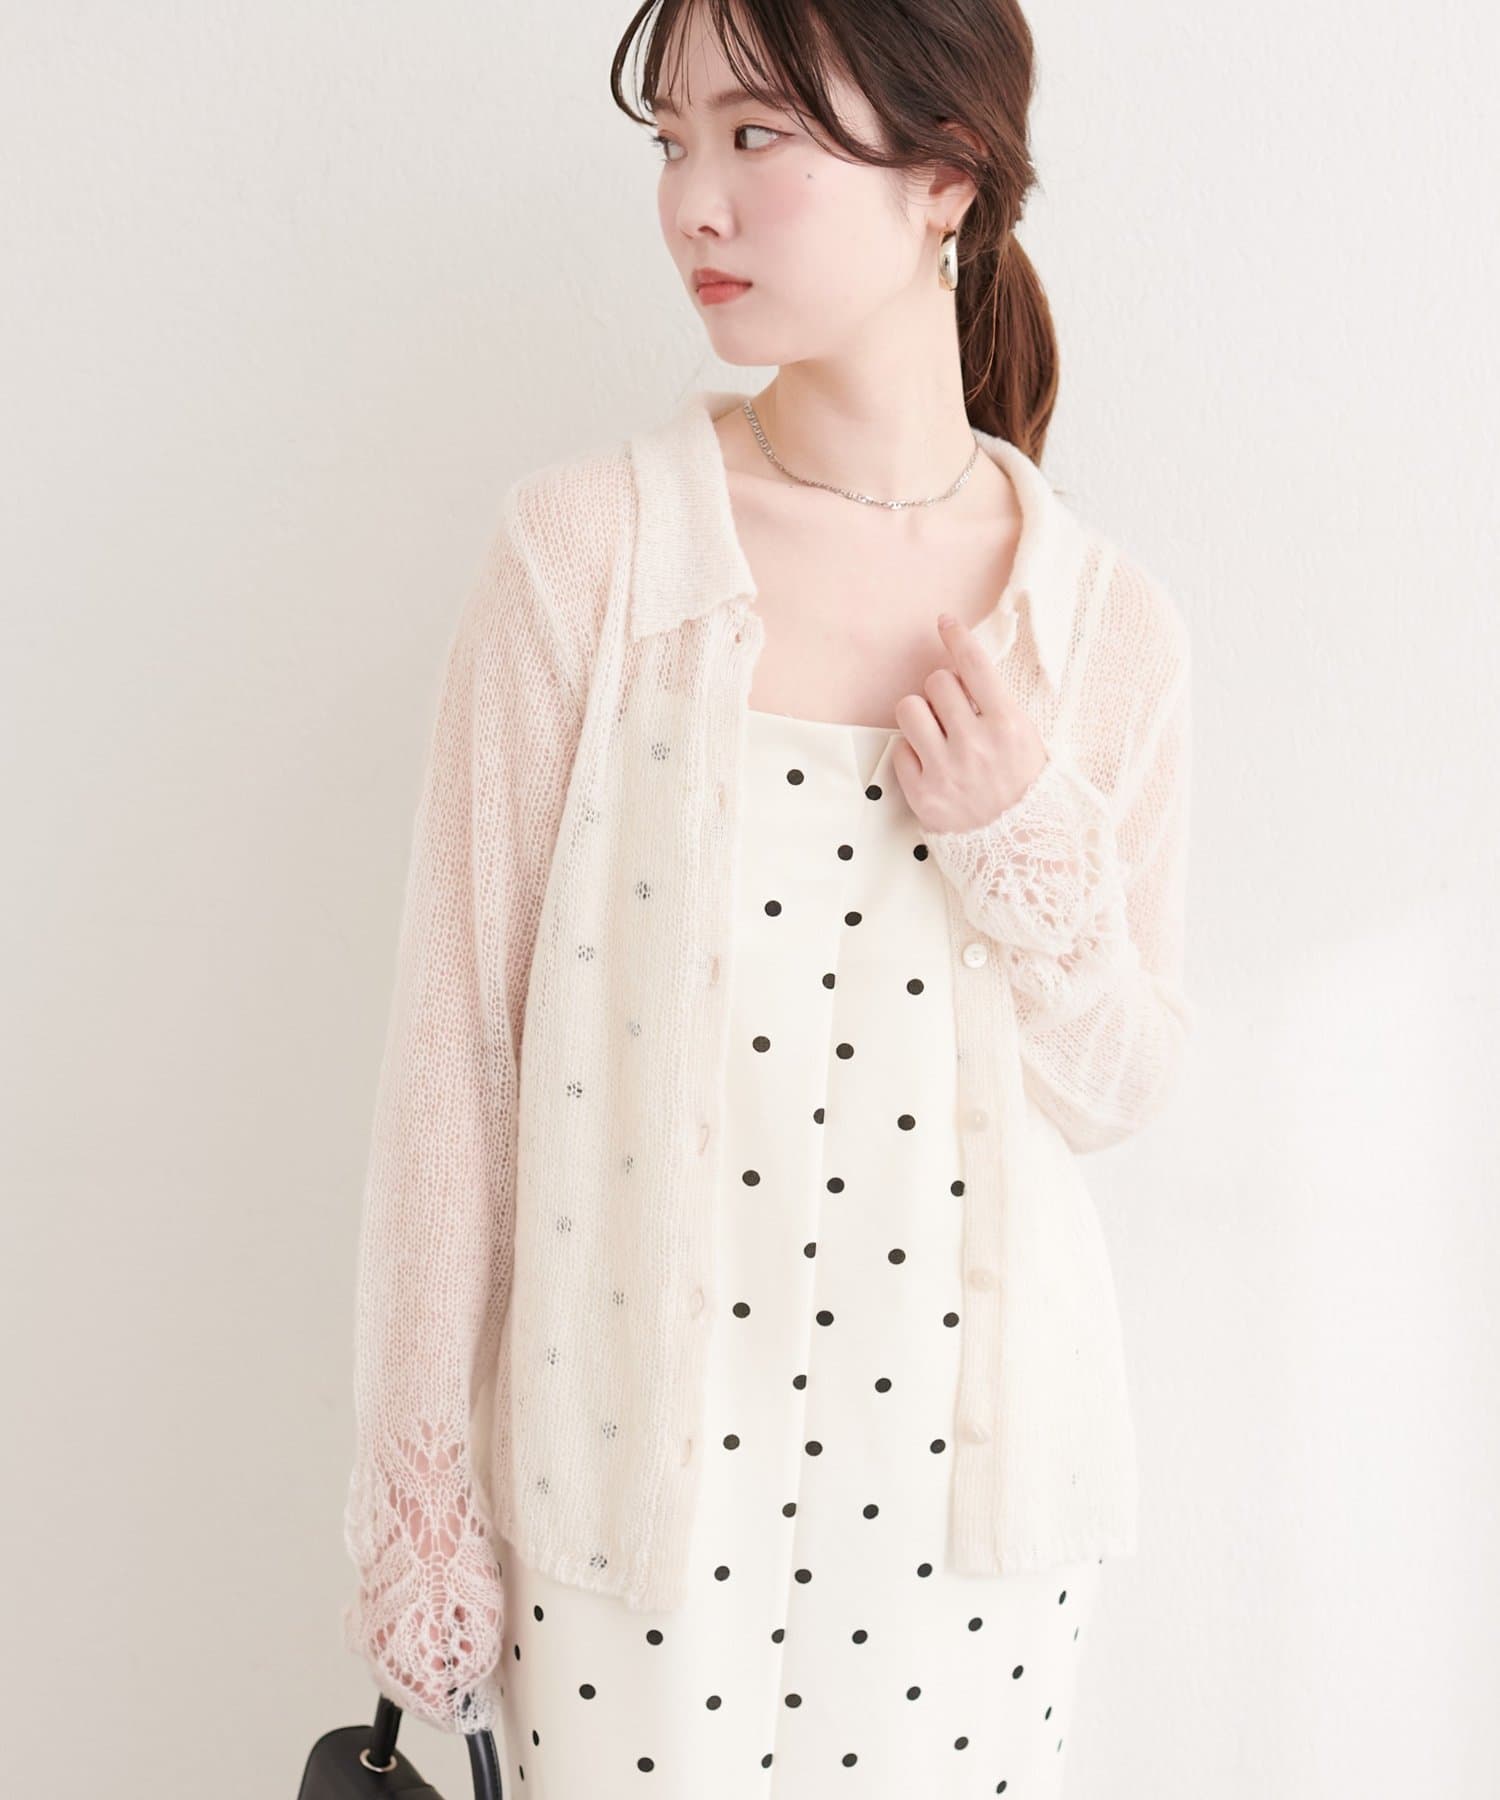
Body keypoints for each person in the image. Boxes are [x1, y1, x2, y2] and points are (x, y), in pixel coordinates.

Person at [341, 1, 1195, 1794]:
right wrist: (422, 1525)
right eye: (672, 143)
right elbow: (452, 1076)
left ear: (947, 176)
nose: (692, 203)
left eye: (755, 138)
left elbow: (1122, 1084)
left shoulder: (1100, 625)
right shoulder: (590, 558)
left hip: (973, 1551)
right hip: (625, 1536)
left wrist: (1019, 830)